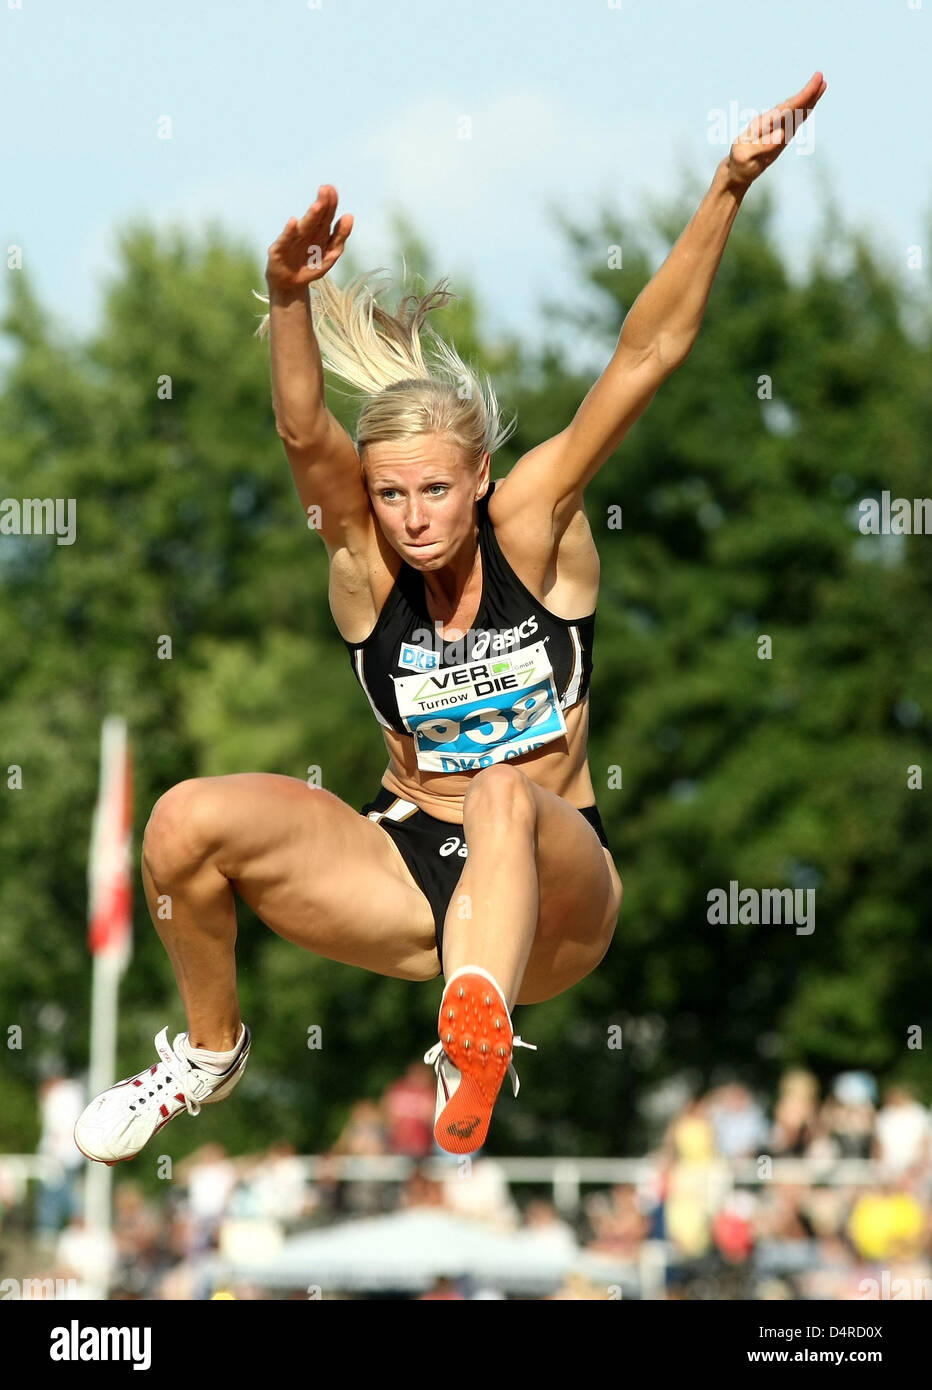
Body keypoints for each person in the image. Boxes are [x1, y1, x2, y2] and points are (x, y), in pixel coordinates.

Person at [73, 73, 826, 1168]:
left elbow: (646, 355)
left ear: (477, 478)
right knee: (186, 818)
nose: (412, 519)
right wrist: (286, 297)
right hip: (402, 869)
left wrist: (724, 185)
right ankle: (209, 1050)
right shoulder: (364, 569)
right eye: (389, 496)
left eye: (434, 491)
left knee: (502, 793)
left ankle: (472, 1041)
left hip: (553, 891)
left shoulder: (538, 526)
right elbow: (300, 434)